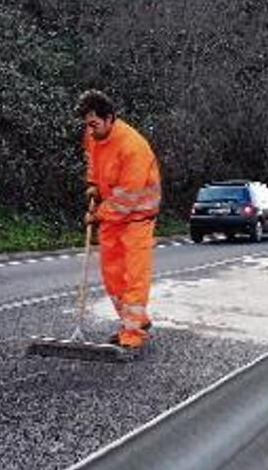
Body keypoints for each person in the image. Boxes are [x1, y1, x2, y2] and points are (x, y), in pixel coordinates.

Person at [79, 90, 161, 349]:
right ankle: (135, 321)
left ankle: (133, 334)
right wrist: (93, 183)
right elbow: (92, 159)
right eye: (86, 124)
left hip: (138, 217)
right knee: (112, 274)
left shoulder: (132, 147)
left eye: (94, 124)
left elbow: (127, 200)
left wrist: (96, 215)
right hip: (112, 214)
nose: (90, 130)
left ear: (110, 118)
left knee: (134, 275)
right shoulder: (92, 135)